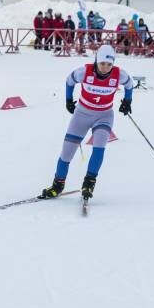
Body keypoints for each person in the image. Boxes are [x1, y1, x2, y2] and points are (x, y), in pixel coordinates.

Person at [38, 44, 134, 203]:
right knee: (66, 154)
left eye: (109, 64)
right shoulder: (84, 72)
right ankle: (57, 185)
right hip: (81, 115)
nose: (105, 67)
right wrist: (68, 100)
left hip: (104, 116)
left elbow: (129, 84)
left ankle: (89, 183)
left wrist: (128, 101)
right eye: (102, 63)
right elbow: (69, 81)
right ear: (97, 61)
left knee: (99, 148)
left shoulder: (119, 75)